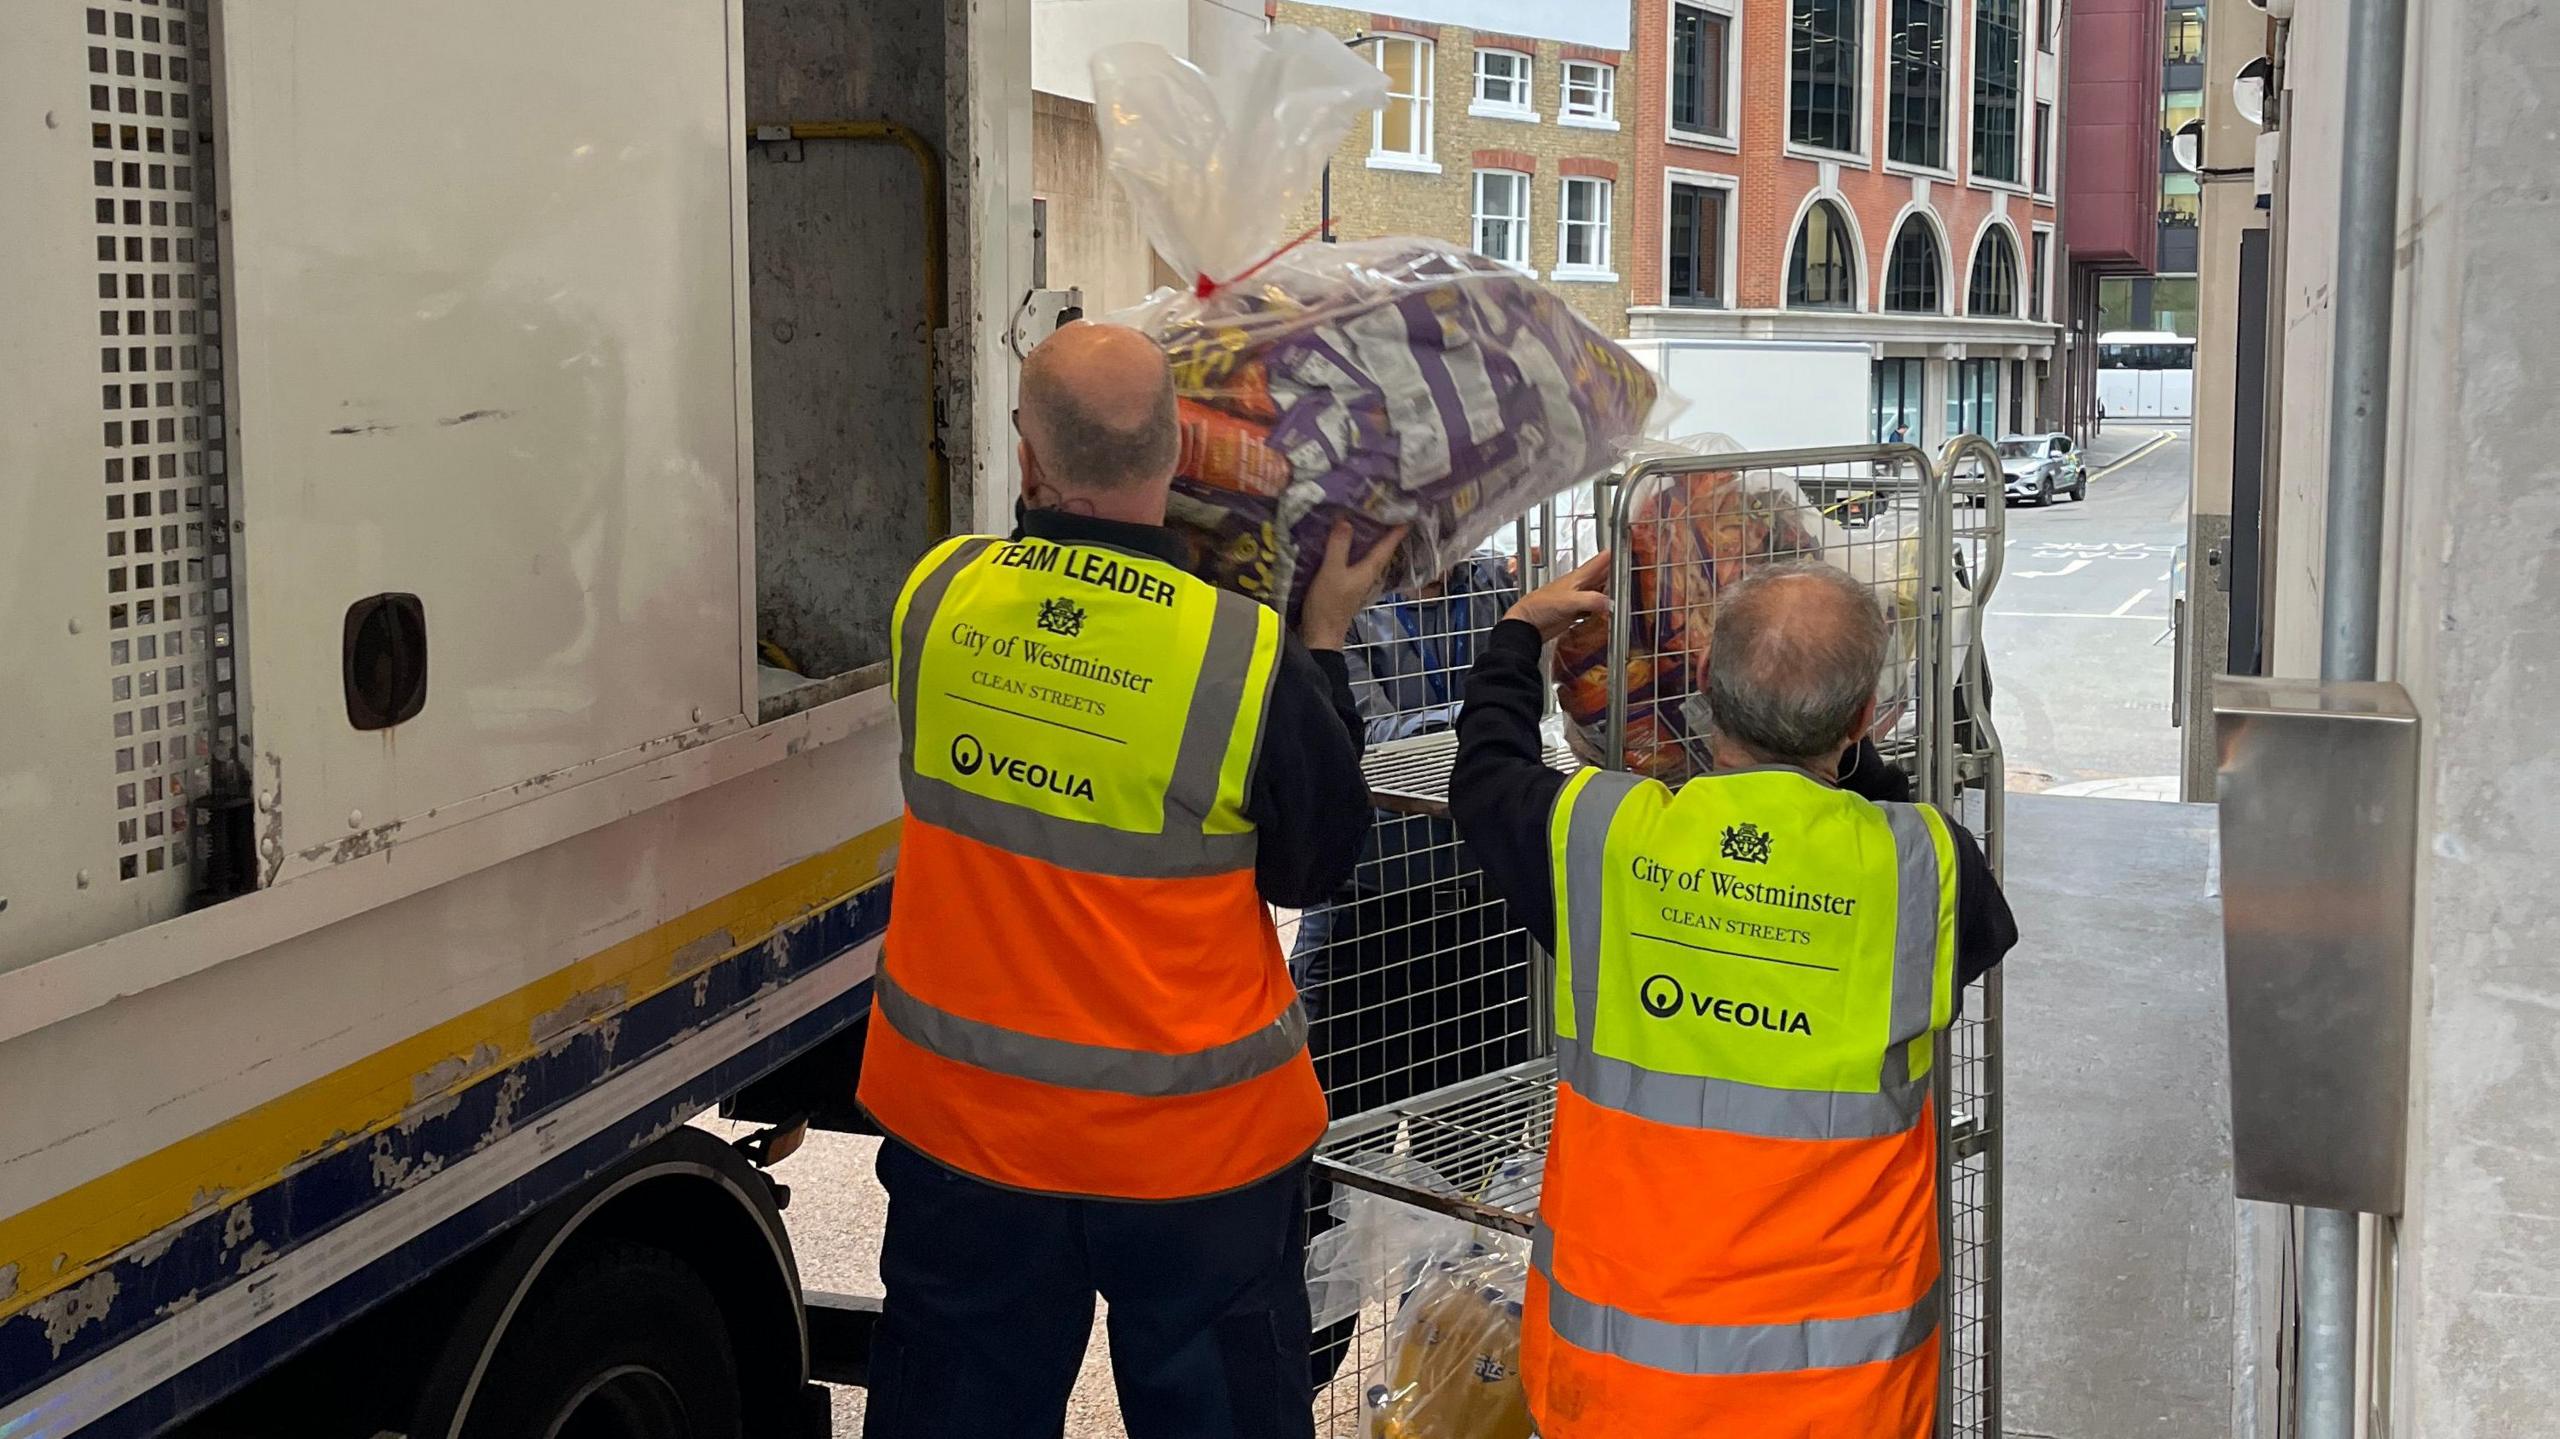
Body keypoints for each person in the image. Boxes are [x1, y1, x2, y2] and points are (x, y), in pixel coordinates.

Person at [858, 322, 1397, 1439]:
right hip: (1192, 1156)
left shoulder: (935, 600)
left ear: (1024, 456)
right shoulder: (1244, 656)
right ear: (1180, 453)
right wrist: (1328, 638)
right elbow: (1321, 859)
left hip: (968, 1135)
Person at [1448, 555, 2018, 1439]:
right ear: (1865, 718)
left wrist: (1520, 636)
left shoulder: (1602, 842)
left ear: (1703, 696)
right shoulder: (1924, 870)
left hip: (1622, 1389)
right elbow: (1969, 923)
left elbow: (1484, 774)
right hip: (1844, 1397)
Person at [1289, 553, 1528, 1390]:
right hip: (1362, 923)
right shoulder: (1336, 596)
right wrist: (1503, 708)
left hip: (1482, 929)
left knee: (1467, 1206)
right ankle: (1300, 1385)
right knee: (1316, 1181)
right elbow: (1354, 743)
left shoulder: (1497, 587)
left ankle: (1436, 1394)